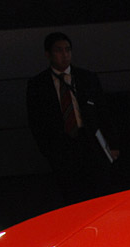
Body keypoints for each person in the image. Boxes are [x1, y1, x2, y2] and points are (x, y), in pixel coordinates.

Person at [25, 31, 119, 206]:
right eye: (59, 51)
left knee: (99, 190)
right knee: (71, 194)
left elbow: (103, 112)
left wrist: (112, 144)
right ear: (48, 54)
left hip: (90, 140)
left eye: (67, 50)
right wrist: (49, 151)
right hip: (62, 145)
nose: (65, 55)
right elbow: (36, 122)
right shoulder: (38, 84)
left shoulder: (87, 78)